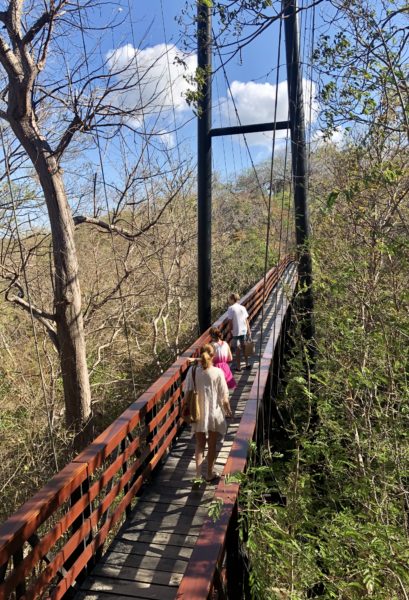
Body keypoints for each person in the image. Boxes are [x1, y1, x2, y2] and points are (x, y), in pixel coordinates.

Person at [183, 344, 232, 481]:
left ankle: (198, 476)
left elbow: (186, 393)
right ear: (213, 356)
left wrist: (184, 407)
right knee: (212, 444)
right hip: (214, 413)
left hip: (198, 413)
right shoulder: (217, 372)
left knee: (199, 445)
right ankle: (209, 474)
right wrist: (228, 410)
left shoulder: (192, 371)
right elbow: (224, 397)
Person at [227, 293, 251, 371]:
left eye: (229, 299)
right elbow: (246, 320)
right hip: (244, 329)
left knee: (237, 349)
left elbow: (230, 321)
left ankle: (238, 366)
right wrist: (249, 330)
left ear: (232, 299)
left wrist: (230, 330)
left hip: (236, 331)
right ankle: (247, 364)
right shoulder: (243, 307)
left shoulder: (231, 308)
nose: (229, 300)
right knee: (244, 347)